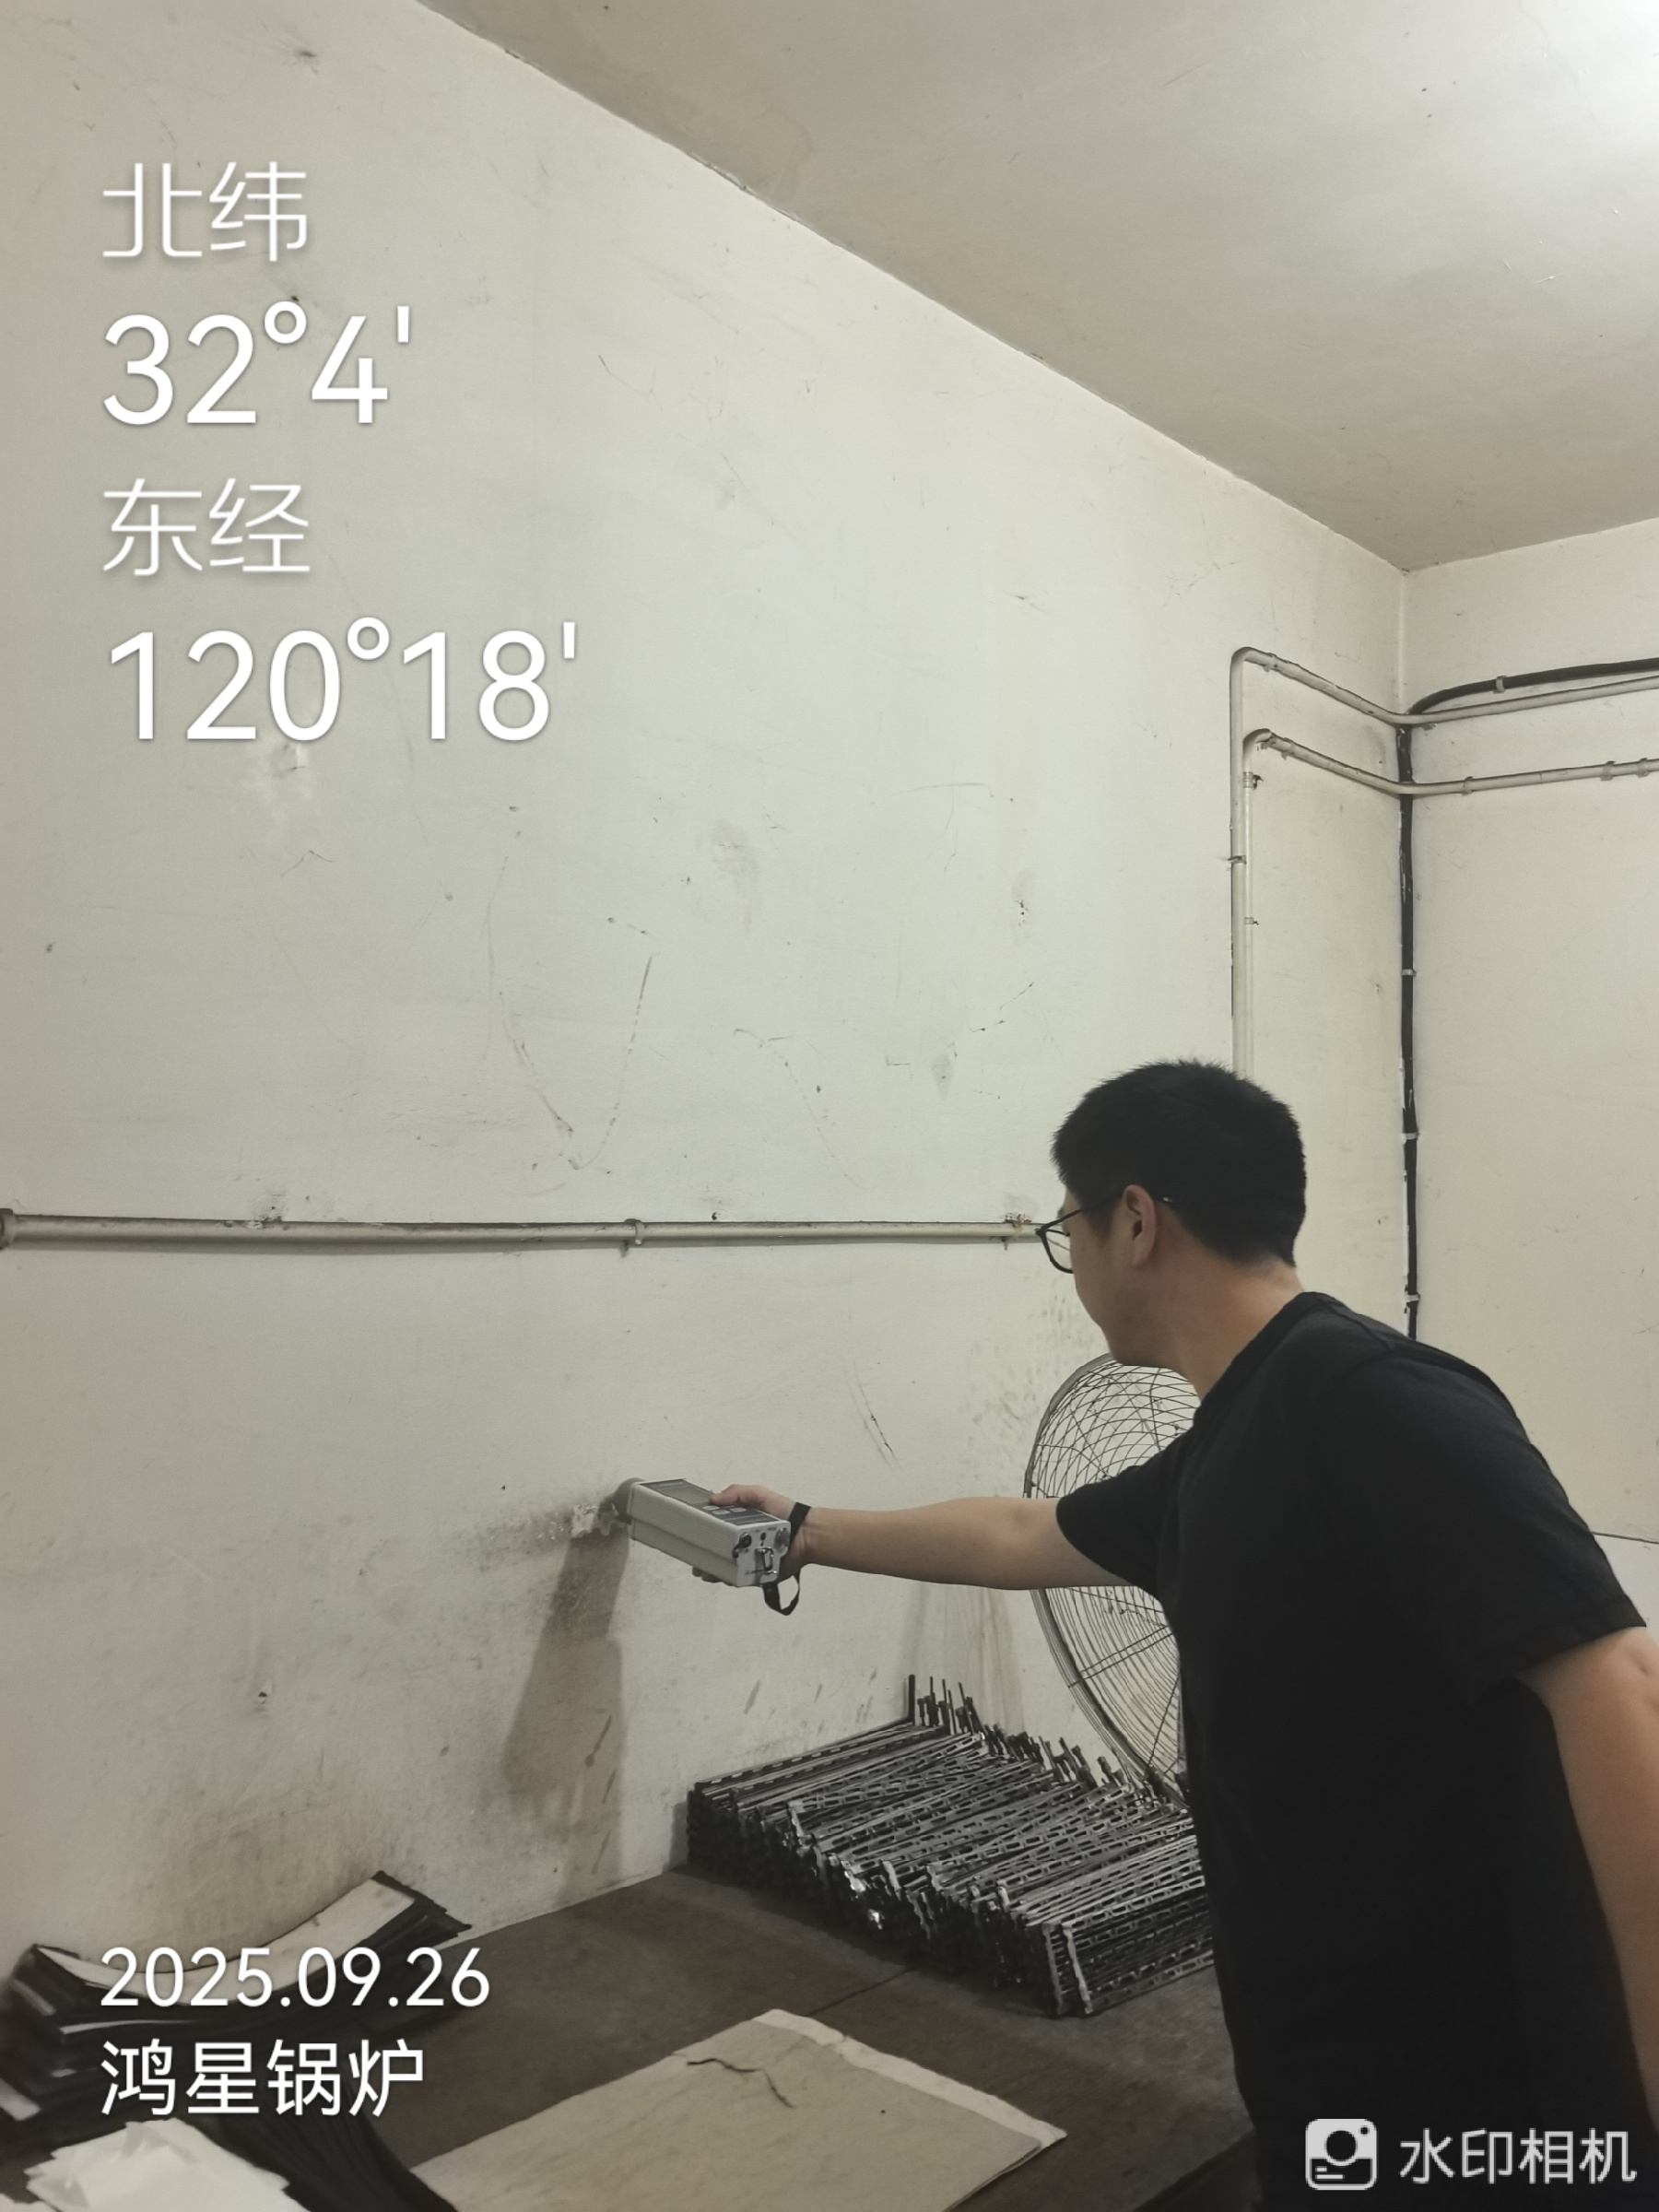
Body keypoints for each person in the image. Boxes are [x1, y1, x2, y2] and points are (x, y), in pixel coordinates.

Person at [713, 1060, 1659, 2206]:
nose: (1074, 1268)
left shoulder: (1370, 1398)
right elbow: (1021, 1532)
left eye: (1068, 1232)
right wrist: (810, 1531)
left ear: (1136, 1221)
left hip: (1478, 2097)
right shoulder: (1229, 1444)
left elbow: (1617, 1679)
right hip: (1331, 2069)